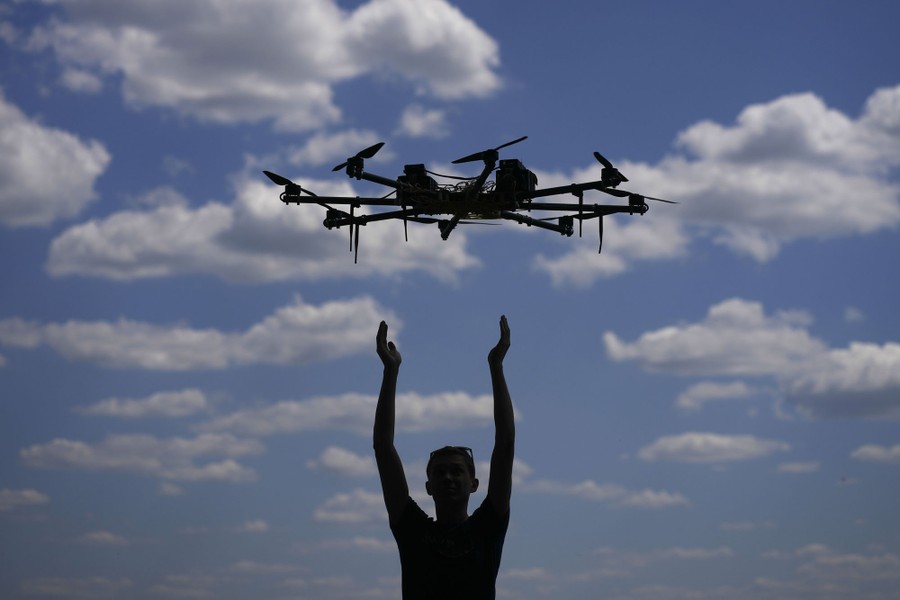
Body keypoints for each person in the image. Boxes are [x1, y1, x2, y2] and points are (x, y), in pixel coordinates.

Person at [374, 316, 514, 600]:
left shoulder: (487, 528)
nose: (447, 477)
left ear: (474, 484)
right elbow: (383, 448)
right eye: (439, 472)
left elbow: (505, 445)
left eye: (456, 471)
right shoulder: (413, 530)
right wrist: (390, 372)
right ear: (428, 487)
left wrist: (496, 366)